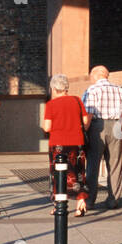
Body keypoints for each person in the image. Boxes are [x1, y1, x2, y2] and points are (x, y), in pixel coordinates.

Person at [41, 73, 89, 216]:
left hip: (58, 143)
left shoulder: (51, 105)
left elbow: (47, 127)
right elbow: (86, 123)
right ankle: (80, 202)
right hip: (77, 143)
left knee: (59, 175)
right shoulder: (77, 100)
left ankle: (58, 205)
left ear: (54, 89)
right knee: (78, 173)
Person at [82, 65, 122, 209]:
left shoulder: (92, 90)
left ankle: (90, 201)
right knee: (115, 164)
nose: (90, 77)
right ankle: (113, 200)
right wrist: (121, 125)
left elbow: (88, 113)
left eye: (91, 74)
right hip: (116, 125)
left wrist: (85, 130)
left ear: (96, 75)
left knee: (93, 164)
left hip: (97, 127)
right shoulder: (119, 90)